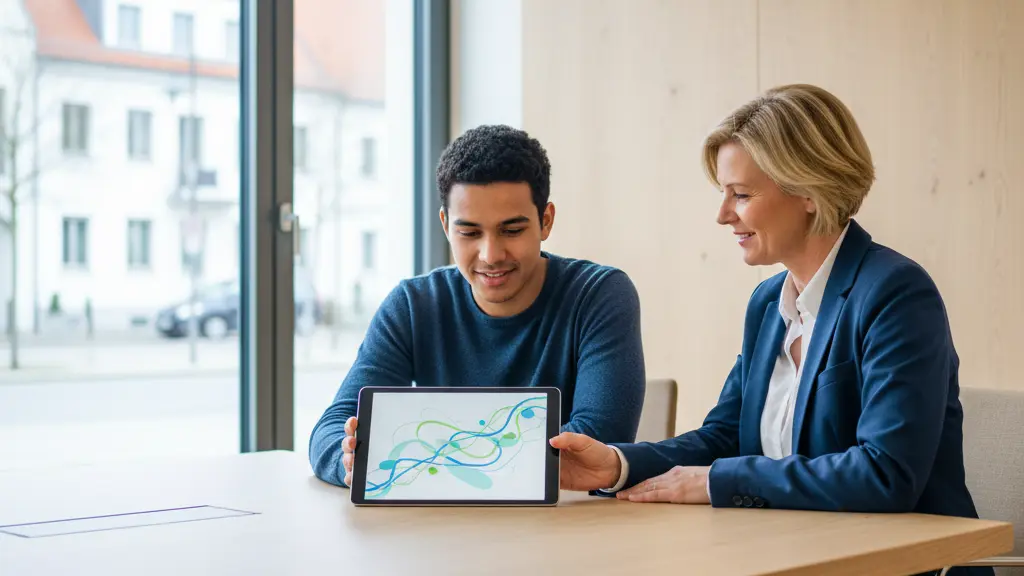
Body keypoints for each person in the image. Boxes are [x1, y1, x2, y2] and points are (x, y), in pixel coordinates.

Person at [551, 84, 986, 566]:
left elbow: (886, 474)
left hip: (902, 567)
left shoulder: (896, 293)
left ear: (807, 190)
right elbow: (724, 436)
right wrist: (616, 464)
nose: (722, 215)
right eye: (723, 193)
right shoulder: (767, 303)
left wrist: (717, 481)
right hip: (789, 555)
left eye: (740, 194)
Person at [310, 124, 646, 487]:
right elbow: (334, 426)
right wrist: (350, 459)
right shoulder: (413, 305)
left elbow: (592, 442)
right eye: (469, 233)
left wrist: (410, 460)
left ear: (545, 221)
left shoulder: (598, 295)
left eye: (512, 230)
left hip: (560, 530)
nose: (491, 255)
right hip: (441, 531)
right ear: (445, 225)